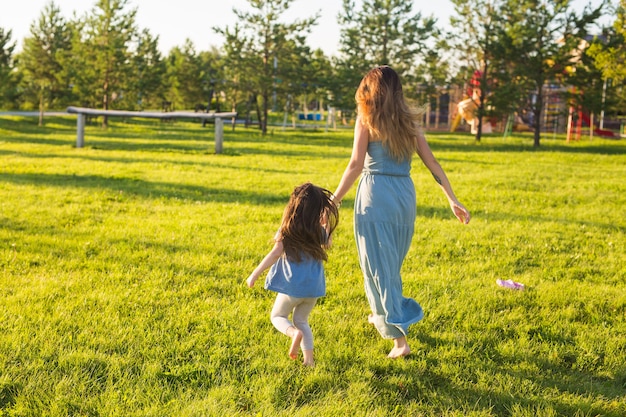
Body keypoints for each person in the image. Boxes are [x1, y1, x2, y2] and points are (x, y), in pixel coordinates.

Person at [331, 66, 470, 359]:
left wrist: (334, 199)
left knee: (378, 266)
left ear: (370, 90)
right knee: (389, 265)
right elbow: (432, 163)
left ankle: (399, 340)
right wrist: (452, 199)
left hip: (376, 195)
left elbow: (356, 165)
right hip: (404, 198)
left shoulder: (365, 119)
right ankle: (381, 315)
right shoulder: (410, 121)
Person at [246, 182, 339, 367]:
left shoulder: (288, 229)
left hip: (293, 288)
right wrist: (325, 224)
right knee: (302, 321)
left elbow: (274, 254)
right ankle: (309, 360)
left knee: (278, 317)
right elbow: (327, 243)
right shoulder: (317, 231)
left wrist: (254, 274)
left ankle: (292, 334)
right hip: (313, 289)